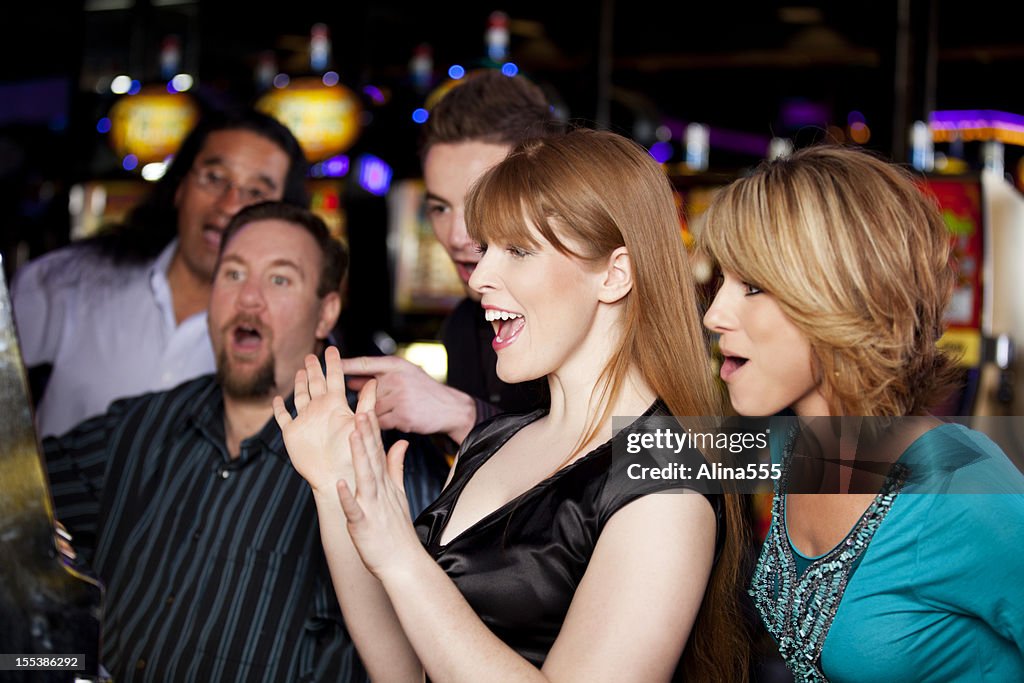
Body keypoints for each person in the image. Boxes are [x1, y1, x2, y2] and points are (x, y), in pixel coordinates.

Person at [277, 130, 750, 682]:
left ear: (614, 274)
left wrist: (402, 555)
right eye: (485, 251)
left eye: (517, 251)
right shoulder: (494, 439)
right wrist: (337, 489)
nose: (479, 278)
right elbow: (401, 671)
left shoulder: (665, 480)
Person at [42, 202, 445, 682]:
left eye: (279, 280)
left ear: (326, 312)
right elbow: (19, 500)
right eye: (232, 274)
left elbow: (422, 660)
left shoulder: (381, 457)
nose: (248, 299)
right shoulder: (138, 425)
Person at [699, 144, 1024, 681]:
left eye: (752, 287)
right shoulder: (797, 444)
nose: (714, 314)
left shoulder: (962, 491)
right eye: (721, 282)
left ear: (840, 298)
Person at [13, 107, 308, 437]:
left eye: (256, 193)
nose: (228, 205)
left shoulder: (291, 337)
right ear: (180, 187)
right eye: (214, 178)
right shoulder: (68, 280)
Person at [342, 69, 560, 446]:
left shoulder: (619, 316)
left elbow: (676, 476)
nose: (458, 237)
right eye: (440, 209)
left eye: (481, 204)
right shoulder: (464, 325)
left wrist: (466, 417)